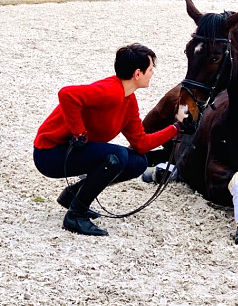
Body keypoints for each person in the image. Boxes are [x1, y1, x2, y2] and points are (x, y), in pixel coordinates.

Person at [33, 43, 185, 237]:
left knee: (138, 162)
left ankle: (73, 196)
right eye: (150, 69)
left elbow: (141, 144)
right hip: (49, 153)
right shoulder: (110, 90)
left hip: (70, 152)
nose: (152, 73)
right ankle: (75, 215)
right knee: (117, 155)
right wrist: (78, 132)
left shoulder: (129, 101)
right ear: (137, 74)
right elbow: (67, 94)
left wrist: (176, 128)